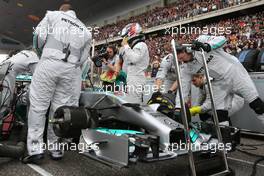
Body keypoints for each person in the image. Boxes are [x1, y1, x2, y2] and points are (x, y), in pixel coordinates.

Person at [23, 4, 92, 163]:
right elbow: (83, 58)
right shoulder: (85, 30)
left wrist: (44, 54)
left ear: (62, 10)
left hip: (49, 63)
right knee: (60, 110)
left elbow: (39, 38)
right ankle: (56, 150)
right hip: (71, 70)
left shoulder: (52, 15)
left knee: (38, 106)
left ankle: (35, 150)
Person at [175, 35, 264, 125]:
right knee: (219, 115)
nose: (182, 61)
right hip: (218, 82)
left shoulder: (201, 40)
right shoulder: (185, 68)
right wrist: (178, 107)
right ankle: (225, 139)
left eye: (182, 58)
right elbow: (183, 87)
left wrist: (208, 46)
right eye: (179, 60)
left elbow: (223, 39)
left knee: (257, 105)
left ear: (187, 50)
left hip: (234, 72)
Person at [0, 50, 39, 117]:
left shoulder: (23, 52)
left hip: (3, 68)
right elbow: (38, 77)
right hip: (8, 72)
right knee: (4, 103)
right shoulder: (35, 58)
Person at [119, 23, 150, 104]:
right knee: (131, 103)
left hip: (136, 79)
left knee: (134, 104)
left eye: (125, 37)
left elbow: (134, 58)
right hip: (133, 78)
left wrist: (126, 45)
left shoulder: (141, 45)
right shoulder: (135, 46)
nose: (124, 39)